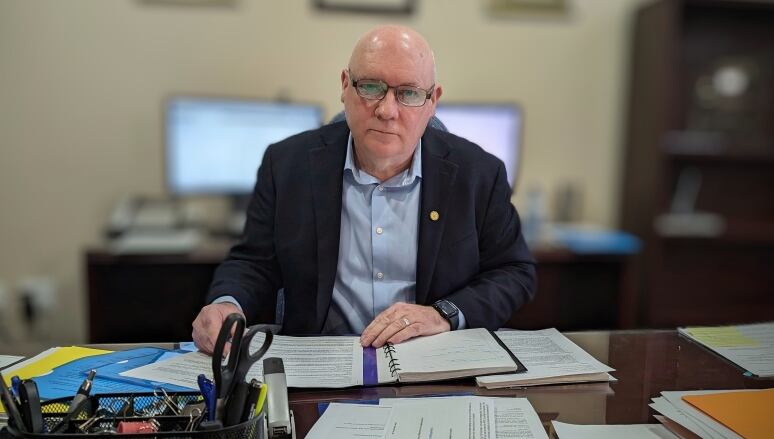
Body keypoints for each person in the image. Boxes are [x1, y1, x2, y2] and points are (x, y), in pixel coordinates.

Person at [192, 25, 536, 354]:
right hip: (320, 368)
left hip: (433, 366)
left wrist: (442, 314)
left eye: (409, 94)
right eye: (371, 87)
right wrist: (226, 305)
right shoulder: (286, 166)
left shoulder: (479, 174)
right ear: (345, 85)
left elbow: (514, 272)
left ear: (433, 101)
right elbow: (254, 263)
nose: (387, 110)